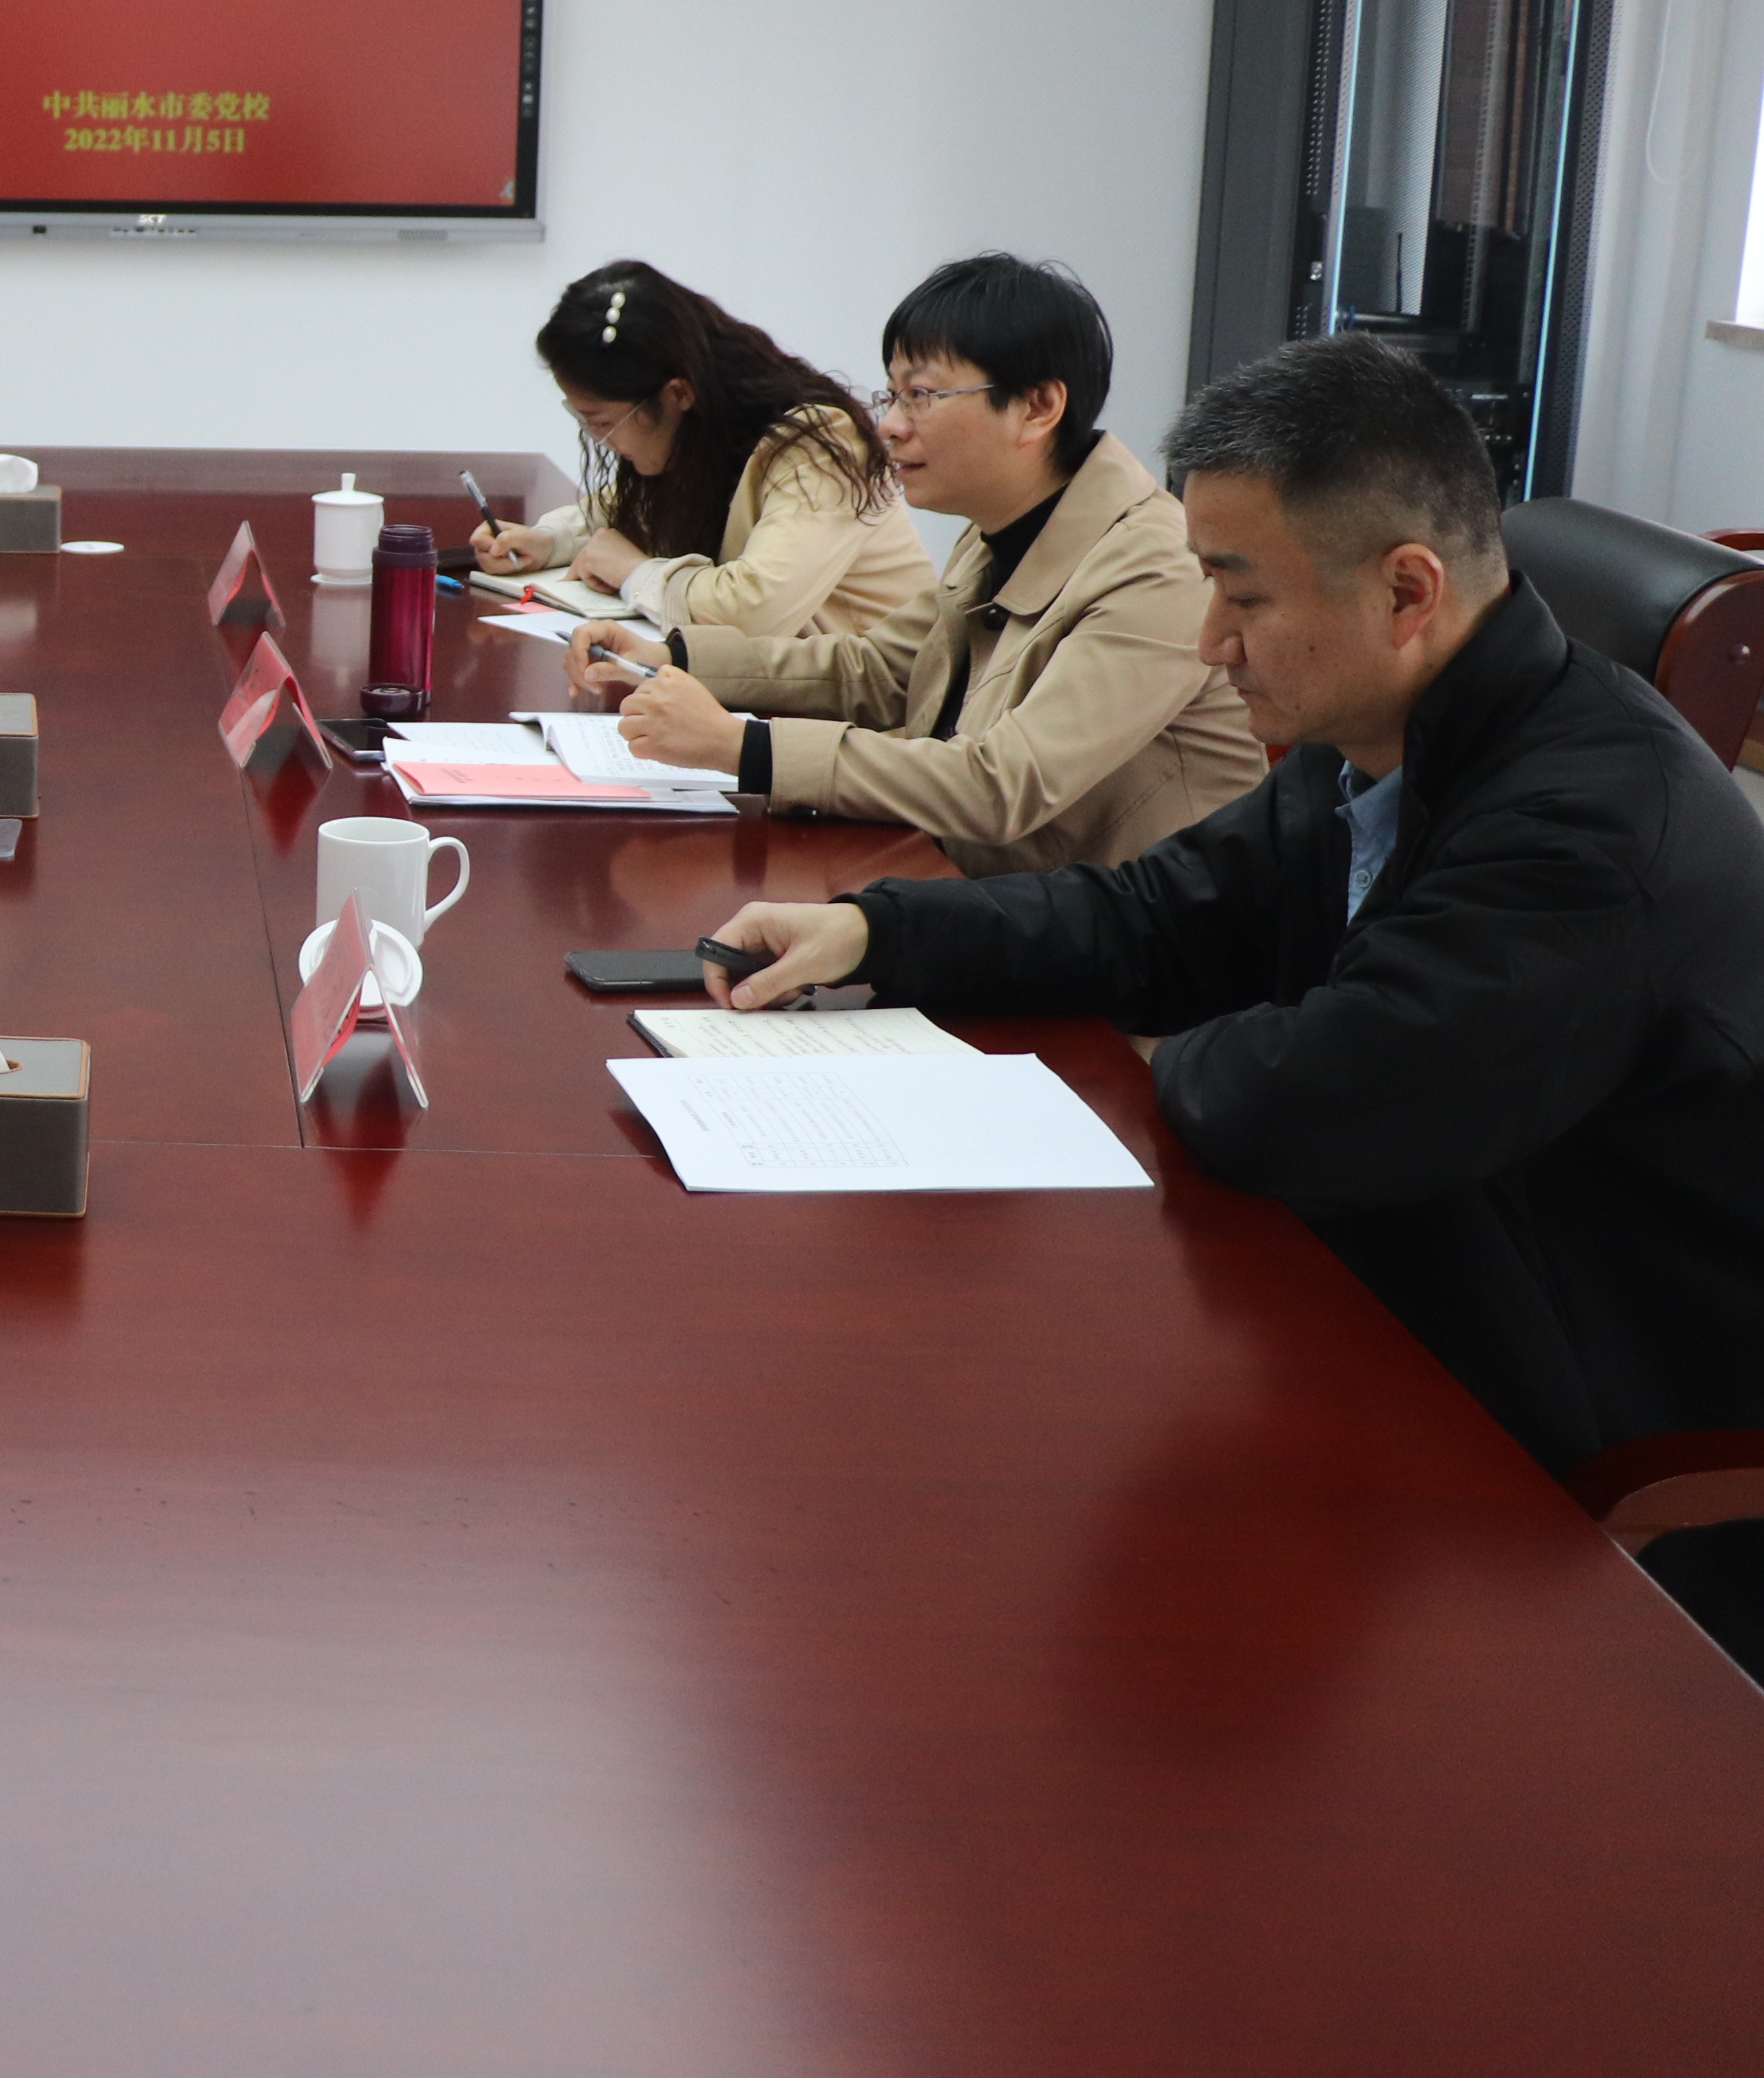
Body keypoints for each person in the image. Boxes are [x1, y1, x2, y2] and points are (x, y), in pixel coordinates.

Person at [702, 335, 1764, 1560]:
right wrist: (879, 928)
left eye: (1244, 597)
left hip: (1575, 1415)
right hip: (1399, 1284)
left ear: (1407, 593)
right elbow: (1159, 915)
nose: (1211, 640)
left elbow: (1310, 1105)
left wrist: (1176, 1053)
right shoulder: (1389, 731)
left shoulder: (1588, 834)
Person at [563, 254, 1264, 873]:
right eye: (893, 395)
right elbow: (878, 670)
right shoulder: (1000, 529)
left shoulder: (1159, 566)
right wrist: (672, 657)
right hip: (984, 894)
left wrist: (744, 746)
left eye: (922, 395)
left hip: (1123, 958)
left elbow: (1003, 784)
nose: (891, 425)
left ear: (1038, 407)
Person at [469, 259, 930, 640]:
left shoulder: (819, 443)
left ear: (677, 394)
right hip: (776, 695)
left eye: (604, 423)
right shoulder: (702, 432)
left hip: (874, 711)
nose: (598, 440)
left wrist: (634, 573)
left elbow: (756, 609)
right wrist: (551, 541)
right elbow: (633, 509)